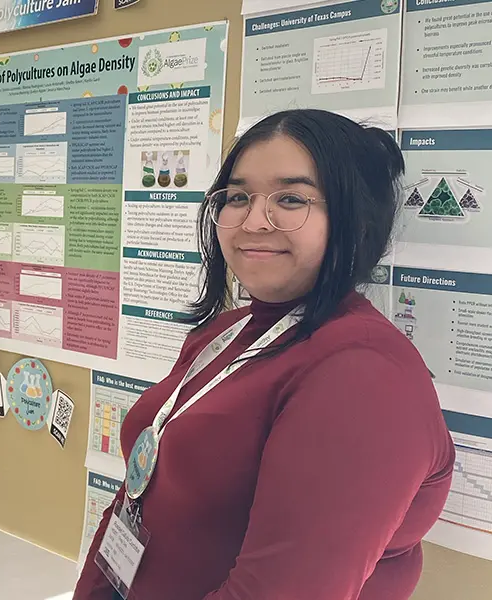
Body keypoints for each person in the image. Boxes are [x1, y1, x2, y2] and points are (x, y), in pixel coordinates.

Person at [74, 109, 455, 600]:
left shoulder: (364, 375)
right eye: (237, 197)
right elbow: (135, 497)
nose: (253, 221)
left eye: (291, 199)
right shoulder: (231, 331)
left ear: (355, 220)